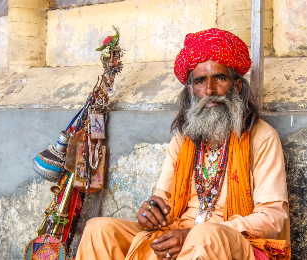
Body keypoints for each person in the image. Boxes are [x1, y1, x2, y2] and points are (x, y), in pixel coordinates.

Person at [76, 28, 290, 260]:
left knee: (204, 237)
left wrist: (192, 234)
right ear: (190, 91)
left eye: (220, 78)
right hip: (178, 236)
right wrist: (151, 212)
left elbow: (272, 218)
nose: (210, 90)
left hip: (228, 242)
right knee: (99, 229)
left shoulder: (262, 138)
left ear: (237, 86)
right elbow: (162, 199)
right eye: (200, 81)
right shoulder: (183, 140)